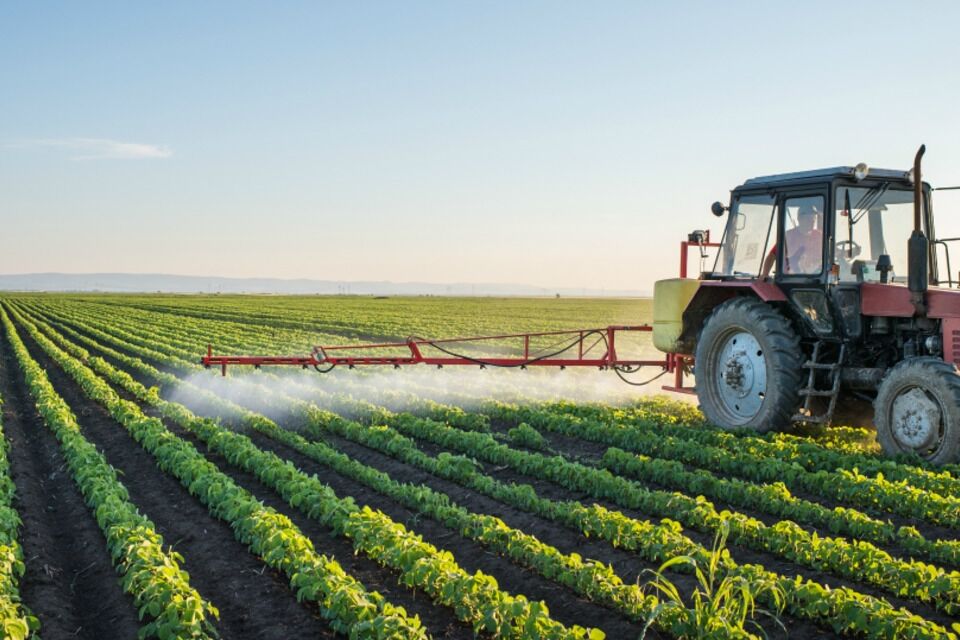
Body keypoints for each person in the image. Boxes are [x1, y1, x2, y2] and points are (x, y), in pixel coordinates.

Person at [761, 202, 823, 277]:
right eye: (809, 218)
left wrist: (840, 254)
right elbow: (772, 255)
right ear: (800, 218)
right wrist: (765, 274)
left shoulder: (820, 236)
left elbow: (833, 252)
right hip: (792, 279)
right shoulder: (789, 236)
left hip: (815, 278)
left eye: (814, 217)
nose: (813, 220)